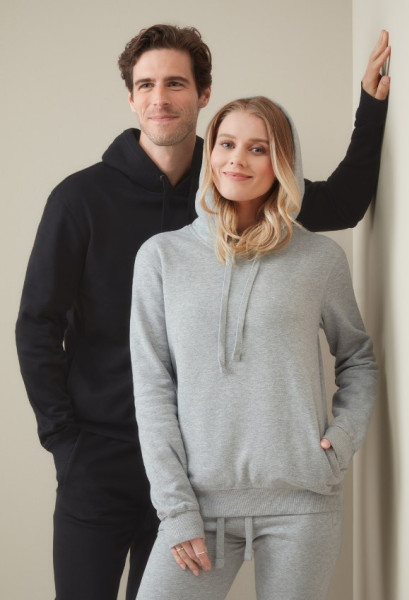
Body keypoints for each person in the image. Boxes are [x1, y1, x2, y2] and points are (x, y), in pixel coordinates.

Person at [15, 23, 389, 600]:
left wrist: (371, 106)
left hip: (207, 466)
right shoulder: (81, 199)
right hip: (104, 454)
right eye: (146, 85)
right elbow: (37, 325)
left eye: (175, 83)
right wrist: (65, 441)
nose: (160, 98)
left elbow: (341, 202)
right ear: (131, 97)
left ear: (203, 93)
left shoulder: (238, 181)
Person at [130, 96, 378, 599]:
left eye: (257, 148)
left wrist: (343, 438)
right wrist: (176, 510)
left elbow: (358, 358)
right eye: (226, 144)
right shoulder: (162, 257)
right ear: (210, 153)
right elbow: (152, 388)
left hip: (302, 503)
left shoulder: (319, 259)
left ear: (282, 162)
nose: (236, 160)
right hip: (198, 506)